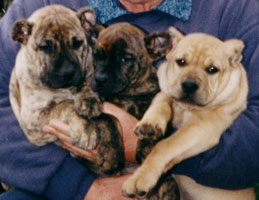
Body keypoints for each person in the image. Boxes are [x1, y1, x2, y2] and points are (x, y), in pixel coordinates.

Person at [0, 0, 258, 199]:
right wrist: (79, 187)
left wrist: (148, 149)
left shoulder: (237, 9)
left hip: (197, 187)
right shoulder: (41, 7)